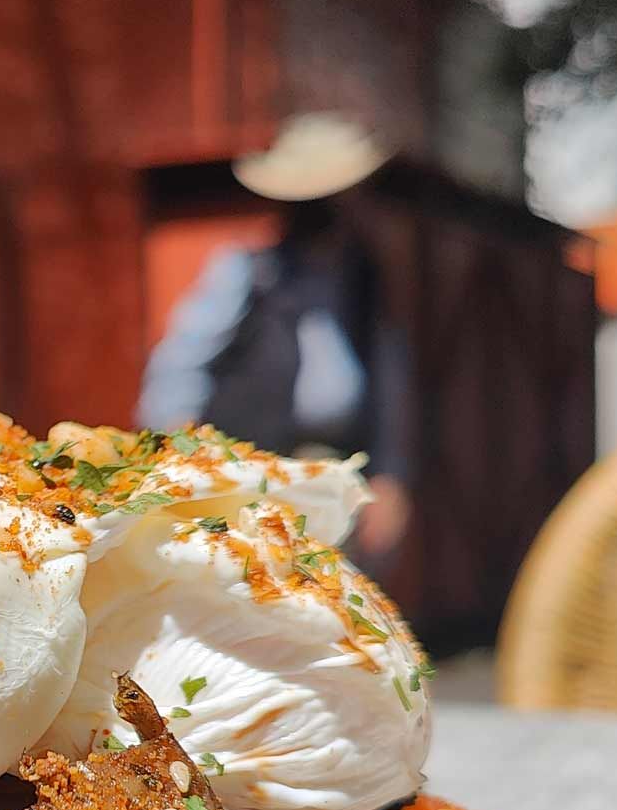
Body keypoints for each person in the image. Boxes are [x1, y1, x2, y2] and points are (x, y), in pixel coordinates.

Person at [137, 116, 412, 567]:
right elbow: (180, 367)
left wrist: (391, 475)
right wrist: (179, 455)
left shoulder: (365, 282)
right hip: (258, 472)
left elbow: (390, 385)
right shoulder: (249, 275)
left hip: (336, 469)